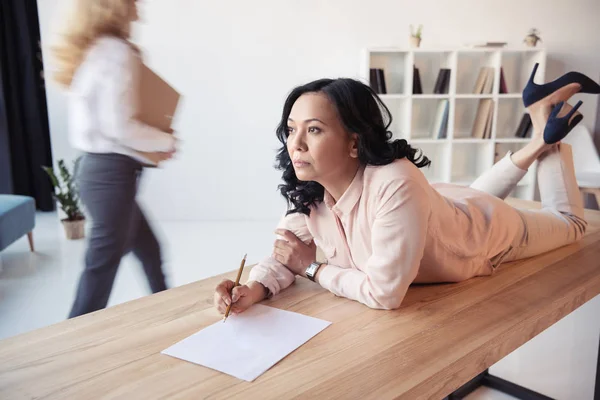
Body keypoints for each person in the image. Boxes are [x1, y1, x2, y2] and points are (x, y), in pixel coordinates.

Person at [214, 74, 596, 313]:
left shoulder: (396, 181)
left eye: (313, 130)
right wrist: (253, 289)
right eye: (292, 129)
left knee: (573, 224)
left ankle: (550, 132)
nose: (295, 144)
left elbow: (384, 294)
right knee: (465, 207)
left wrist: (314, 268)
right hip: (444, 209)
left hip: (484, 236)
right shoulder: (312, 190)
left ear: (353, 142)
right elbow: (286, 254)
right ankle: (541, 128)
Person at [52, 0, 177, 317]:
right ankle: (72, 337)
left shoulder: (97, 50)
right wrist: (166, 139)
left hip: (99, 171)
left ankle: (170, 313)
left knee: (149, 250)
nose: (140, 6)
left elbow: (105, 126)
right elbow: (118, 126)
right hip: (111, 176)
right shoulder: (115, 52)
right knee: (101, 268)